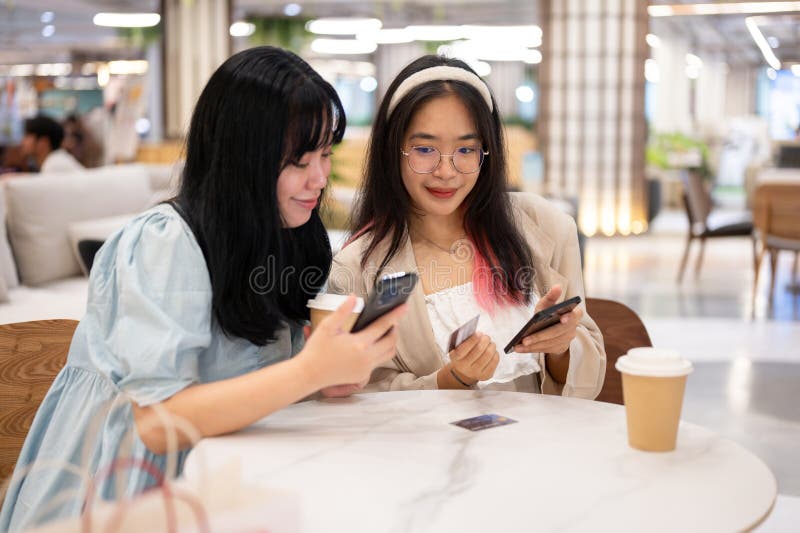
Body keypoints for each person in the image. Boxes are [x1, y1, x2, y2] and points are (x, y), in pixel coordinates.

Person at [0, 46, 406, 531]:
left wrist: (328, 373)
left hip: (223, 474)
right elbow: (156, 423)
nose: (320, 179)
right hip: (121, 494)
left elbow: (250, 375)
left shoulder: (284, 236)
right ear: (243, 158)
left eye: (325, 154)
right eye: (299, 161)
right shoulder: (166, 243)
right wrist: (307, 371)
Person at [328, 55, 605, 397]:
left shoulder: (545, 226)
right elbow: (360, 393)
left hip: (540, 445)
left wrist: (561, 347)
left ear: (485, 152)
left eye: (466, 149)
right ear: (392, 151)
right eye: (425, 149)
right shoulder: (358, 266)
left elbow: (590, 379)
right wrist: (451, 380)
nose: (446, 171)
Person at [20, 114, 84, 173]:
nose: (22, 141)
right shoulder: (57, 159)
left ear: (43, 142)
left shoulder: (54, 165)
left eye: (27, 136)